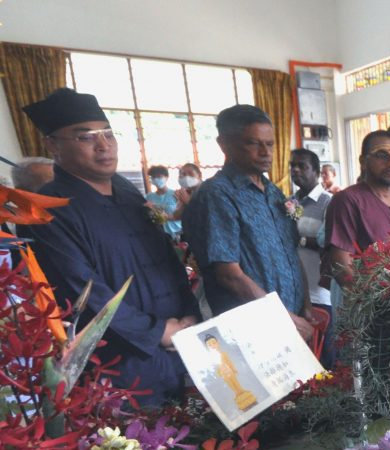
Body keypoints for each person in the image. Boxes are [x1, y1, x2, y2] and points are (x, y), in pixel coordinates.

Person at [18, 88, 200, 405]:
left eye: (109, 134)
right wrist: (158, 332)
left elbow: (169, 260)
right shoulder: (46, 209)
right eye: (86, 137)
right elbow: (83, 292)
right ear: (52, 145)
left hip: (180, 346)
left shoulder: (127, 192)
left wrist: (190, 316)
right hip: (121, 366)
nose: (103, 146)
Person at [182, 104, 315, 342]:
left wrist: (305, 304)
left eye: (270, 144)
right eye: (253, 143)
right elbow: (228, 274)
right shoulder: (217, 195)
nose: (265, 152)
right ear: (224, 144)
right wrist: (282, 318)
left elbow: (291, 254)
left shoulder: (274, 192)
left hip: (291, 319)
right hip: (251, 329)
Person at [323, 130, 390, 288]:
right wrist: (378, 305)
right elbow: (341, 267)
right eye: (382, 156)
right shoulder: (347, 200)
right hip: (366, 307)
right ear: (363, 161)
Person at [288, 148, 333, 328]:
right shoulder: (291, 202)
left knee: (325, 351)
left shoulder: (329, 202)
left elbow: (328, 242)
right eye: (292, 166)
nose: (295, 170)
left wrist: (300, 240)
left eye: (302, 166)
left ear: (316, 171)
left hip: (319, 292)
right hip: (294, 290)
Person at [145, 164, 180, 238]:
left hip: (177, 233)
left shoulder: (176, 194)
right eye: (154, 177)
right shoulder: (149, 197)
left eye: (159, 177)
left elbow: (183, 215)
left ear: (167, 177)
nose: (156, 179)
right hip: (158, 235)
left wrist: (166, 217)